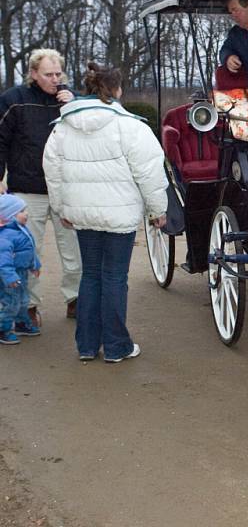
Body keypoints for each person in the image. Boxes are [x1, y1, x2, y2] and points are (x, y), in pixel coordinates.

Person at [43, 62, 167, 362]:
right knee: (114, 278)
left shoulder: (62, 127)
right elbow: (150, 173)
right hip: (119, 216)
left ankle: (86, 346)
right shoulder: (131, 126)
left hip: (82, 215)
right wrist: (157, 210)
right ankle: (116, 346)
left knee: (91, 276)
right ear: (116, 89)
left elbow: (52, 170)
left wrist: (61, 208)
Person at [0, 49, 82, 328]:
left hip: (66, 188)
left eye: (58, 73)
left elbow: (89, 133)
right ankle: (28, 307)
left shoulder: (72, 99)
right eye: (48, 74)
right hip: (26, 189)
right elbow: (0, 140)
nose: (55, 79)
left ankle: (76, 299)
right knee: (26, 251)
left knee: (73, 249)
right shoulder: (13, 100)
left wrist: (75, 105)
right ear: (33, 74)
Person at [0, 194, 41, 345]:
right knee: (11, 302)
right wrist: (9, 277)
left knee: (23, 300)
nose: (26, 214)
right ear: (10, 216)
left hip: (21, 273)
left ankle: (21, 323)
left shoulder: (21, 229)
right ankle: (3, 328)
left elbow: (30, 249)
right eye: (22, 211)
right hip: (9, 277)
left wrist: (35, 264)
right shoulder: (5, 237)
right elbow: (2, 262)